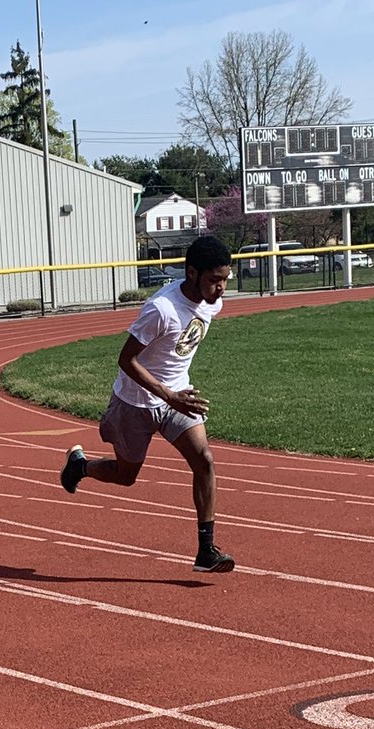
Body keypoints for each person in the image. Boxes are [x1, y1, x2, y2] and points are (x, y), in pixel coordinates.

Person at [60, 234, 235, 573]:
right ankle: (80, 467)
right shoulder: (161, 309)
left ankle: (205, 551)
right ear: (192, 273)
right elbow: (126, 360)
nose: (221, 288)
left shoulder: (212, 303)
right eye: (215, 280)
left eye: (226, 279)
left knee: (205, 461)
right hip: (135, 402)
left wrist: (173, 394)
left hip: (176, 399)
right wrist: (166, 393)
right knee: (126, 476)